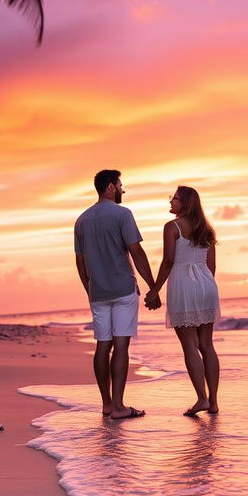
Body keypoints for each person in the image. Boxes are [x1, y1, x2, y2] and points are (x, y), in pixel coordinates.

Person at [74, 169, 160, 420]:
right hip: (123, 289)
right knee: (121, 344)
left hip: (97, 291)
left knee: (103, 345)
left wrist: (89, 288)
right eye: (121, 185)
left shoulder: (82, 220)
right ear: (110, 187)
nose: (123, 190)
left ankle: (107, 404)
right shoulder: (123, 214)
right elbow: (136, 251)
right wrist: (153, 287)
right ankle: (120, 407)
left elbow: (80, 261)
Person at [145, 185, 220, 416]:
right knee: (207, 345)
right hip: (207, 285)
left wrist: (154, 290)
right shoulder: (206, 229)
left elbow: (168, 261)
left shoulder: (173, 227)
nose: (171, 203)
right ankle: (214, 402)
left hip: (183, 285)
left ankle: (201, 399)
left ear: (185, 203)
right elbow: (212, 266)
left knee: (189, 345)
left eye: (174, 199)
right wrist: (203, 287)